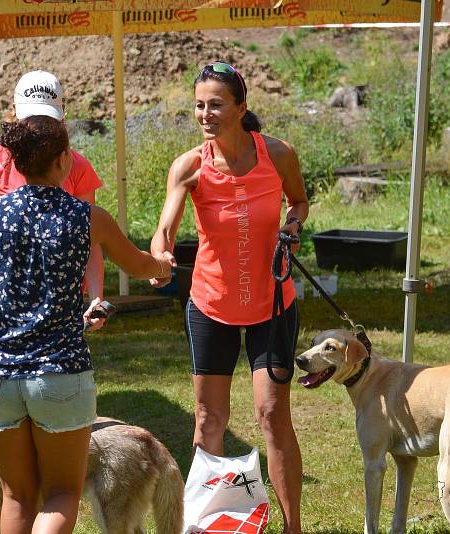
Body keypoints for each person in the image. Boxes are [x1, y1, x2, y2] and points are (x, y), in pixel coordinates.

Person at [0, 114, 174, 534]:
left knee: (16, 494)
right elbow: (141, 266)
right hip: (60, 374)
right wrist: (163, 264)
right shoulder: (88, 217)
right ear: (65, 159)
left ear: (13, 162)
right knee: (62, 493)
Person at [150, 61, 309, 534]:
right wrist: (160, 260)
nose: (205, 114)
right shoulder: (189, 166)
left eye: (216, 104)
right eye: (199, 105)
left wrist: (293, 226)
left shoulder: (278, 155)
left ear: (241, 107)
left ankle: (292, 526)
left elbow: (298, 202)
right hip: (211, 305)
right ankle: (204, 523)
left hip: (272, 303)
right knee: (208, 418)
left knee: (272, 412)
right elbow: (164, 231)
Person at [0, 70, 107, 352]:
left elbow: (92, 241)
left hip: (62, 303)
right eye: (31, 118)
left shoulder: (77, 166)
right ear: (14, 114)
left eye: (47, 119)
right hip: (4, 303)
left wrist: (96, 299)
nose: (38, 127)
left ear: (62, 116)